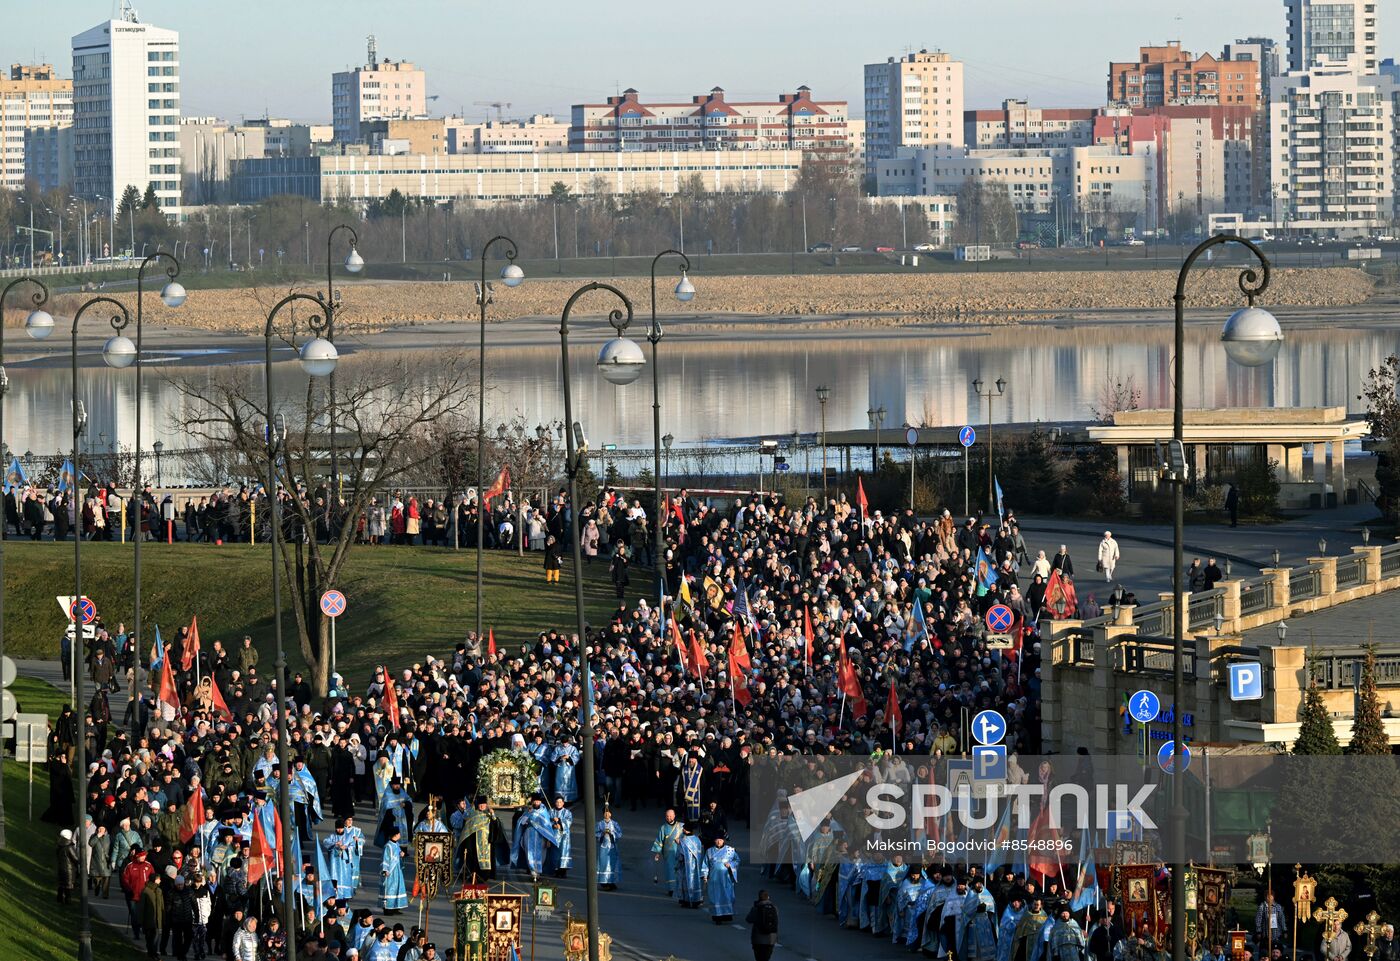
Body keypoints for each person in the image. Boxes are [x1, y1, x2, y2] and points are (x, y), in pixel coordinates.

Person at [701, 833, 740, 924]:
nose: (719, 842)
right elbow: (705, 864)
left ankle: (727, 915)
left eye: (720, 840)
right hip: (714, 879)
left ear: (723, 840)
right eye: (717, 840)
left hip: (726, 879)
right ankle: (717, 917)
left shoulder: (730, 850)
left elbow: (737, 860)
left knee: (727, 896)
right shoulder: (709, 851)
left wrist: (731, 865)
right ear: (714, 840)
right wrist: (705, 876)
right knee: (715, 897)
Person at [651, 808, 683, 897]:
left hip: (679, 852)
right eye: (667, 816)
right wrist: (657, 852)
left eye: (670, 816)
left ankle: (680, 888)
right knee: (670, 871)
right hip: (668, 853)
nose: (669, 818)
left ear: (674, 816)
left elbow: (687, 838)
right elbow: (659, 841)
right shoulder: (663, 827)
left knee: (679, 870)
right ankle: (671, 889)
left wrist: (680, 841)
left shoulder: (681, 826)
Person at [675, 822, 705, 909]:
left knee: (686, 882)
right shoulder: (697, 840)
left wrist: (678, 862)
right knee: (695, 882)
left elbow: (680, 855)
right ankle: (696, 900)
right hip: (696, 866)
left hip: (686, 866)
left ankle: (687, 900)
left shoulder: (683, 841)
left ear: (685, 830)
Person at [745, 890, 780, 961]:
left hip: (758, 938)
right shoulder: (774, 908)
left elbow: (748, 919)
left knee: (759, 958)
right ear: (768, 897)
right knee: (766, 957)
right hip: (771, 938)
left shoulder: (756, 908)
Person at [381, 826, 407, 915]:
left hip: (397, 870)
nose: (400, 835)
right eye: (399, 833)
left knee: (397, 888)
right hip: (390, 871)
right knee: (389, 889)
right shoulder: (388, 846)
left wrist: (401, 854)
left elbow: (398, 854)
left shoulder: (396, 844)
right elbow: (385, 859)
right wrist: (385, 870)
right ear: (396, 834)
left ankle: (396, 907)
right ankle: (388, 909)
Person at [595, 805, 622, 890]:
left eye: (608, 813)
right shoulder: (599, 824)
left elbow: (619, 833)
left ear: (610, 814)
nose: (607, 814)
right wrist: (602, 834)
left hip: (612, 847)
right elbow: (596, 833)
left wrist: (612, 834)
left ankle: (611, 881)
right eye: (605, 813)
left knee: (612, 864)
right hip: (603, 848)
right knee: (604, 864)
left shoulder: (614, 824)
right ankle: (604, 882)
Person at [55, 828, 80, 904]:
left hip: (61, 868)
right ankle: (68, 901)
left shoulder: (59, 846)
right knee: (68, 886)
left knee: (61, 884)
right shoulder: (69, 847)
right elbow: (75, 858)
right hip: (69, 869)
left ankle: (59, 899)